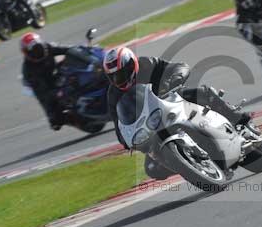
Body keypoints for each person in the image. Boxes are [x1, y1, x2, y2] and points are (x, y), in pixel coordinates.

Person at [104, 46, 251, 180]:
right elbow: (119, 125)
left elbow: (178, 67)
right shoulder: (113, 94)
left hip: (171, 98)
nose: (120, 79)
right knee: (152, 169)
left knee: (203, 94)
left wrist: (177, 77)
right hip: (150, 124)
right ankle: (191, 165)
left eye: (123, 73)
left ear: (132, 63)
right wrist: (127, 141)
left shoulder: (147, 64)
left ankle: (237, 119)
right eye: (115, 76)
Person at [20, 32, 71, 131]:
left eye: (39, 47)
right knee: (49, 100)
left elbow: (67, 49)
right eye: (34, 50)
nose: (37, 51)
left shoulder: (48, 47)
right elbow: (43, 92)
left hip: (54, 72)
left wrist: (82, 49)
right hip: (42, 84)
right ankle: (53, 119)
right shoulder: (28, 69)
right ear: (26, 52)